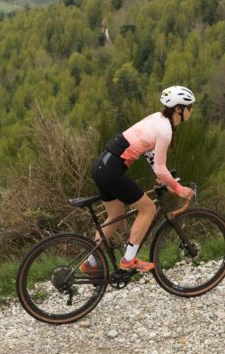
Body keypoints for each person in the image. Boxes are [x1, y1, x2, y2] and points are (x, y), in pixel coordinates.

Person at [83, 85, 197, 273]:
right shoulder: (165, 130)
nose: (191, 111)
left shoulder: (157, 118)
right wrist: (178, 188)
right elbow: (160, 167)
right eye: (189, 107)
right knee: (148, 208)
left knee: (115, 215)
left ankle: (91, 263)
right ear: (178, 109)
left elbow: (150, 155)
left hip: (102, 166)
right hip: (111, 170)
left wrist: (166, 180)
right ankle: (129, 259)